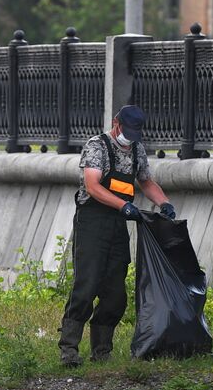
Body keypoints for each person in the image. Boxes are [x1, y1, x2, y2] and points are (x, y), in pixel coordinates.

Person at [59, 104, 175, 367]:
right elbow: (92, 185)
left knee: (115, 293)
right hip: (92, 222)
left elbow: (145, 181)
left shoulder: (136, 149)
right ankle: (69, 349)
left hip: (118, 225)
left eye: (135, 132)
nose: (130, 137)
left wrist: (164, 203)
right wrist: (123, 205)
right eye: (127, 130)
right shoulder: (97, 146)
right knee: (86, 286)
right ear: (116, 124)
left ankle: (101, 351)